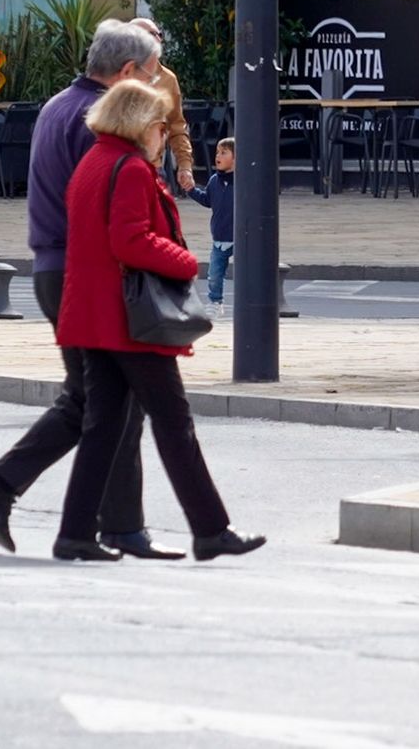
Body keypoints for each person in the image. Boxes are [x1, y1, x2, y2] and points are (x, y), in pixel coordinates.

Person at [0, 20, 187, 560]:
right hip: (84, 272)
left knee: (98, 397)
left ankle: (106, 521)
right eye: (151, 78)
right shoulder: (98, 123)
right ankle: (35, 497)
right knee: (108, 399)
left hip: (54, 267)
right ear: (129, 72)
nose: (154, 91)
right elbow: (109, 213)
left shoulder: (56, 105)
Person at [52, 80, 263, 562]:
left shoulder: (94, 162)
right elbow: (130, 241)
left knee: (102, 426)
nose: (165, 136)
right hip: (129, 321)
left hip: (95, 316)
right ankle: (211, 530)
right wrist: (185, 262)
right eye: (162, 127)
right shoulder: (128, 169)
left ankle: (75, 533)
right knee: (173, 422)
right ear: (142, 125)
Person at [128, 17, 195, 194]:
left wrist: (185, 165)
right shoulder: (116, 73)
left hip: (153, 168)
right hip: (119, 165)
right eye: (150, 34)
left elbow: (176, 125)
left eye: (159, 34)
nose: (158, 39)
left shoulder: (168, 79)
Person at [186, 136, 234, 319]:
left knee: (246, 273)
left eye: (224, 153)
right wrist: (191, 190)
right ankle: (215, 302)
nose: (218, 156)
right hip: (219, 237)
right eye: (217, 153)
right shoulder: (214, 180)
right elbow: (207, 200)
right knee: (214, 275)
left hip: (239, 236)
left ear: (236, 158)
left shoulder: (243, 181)